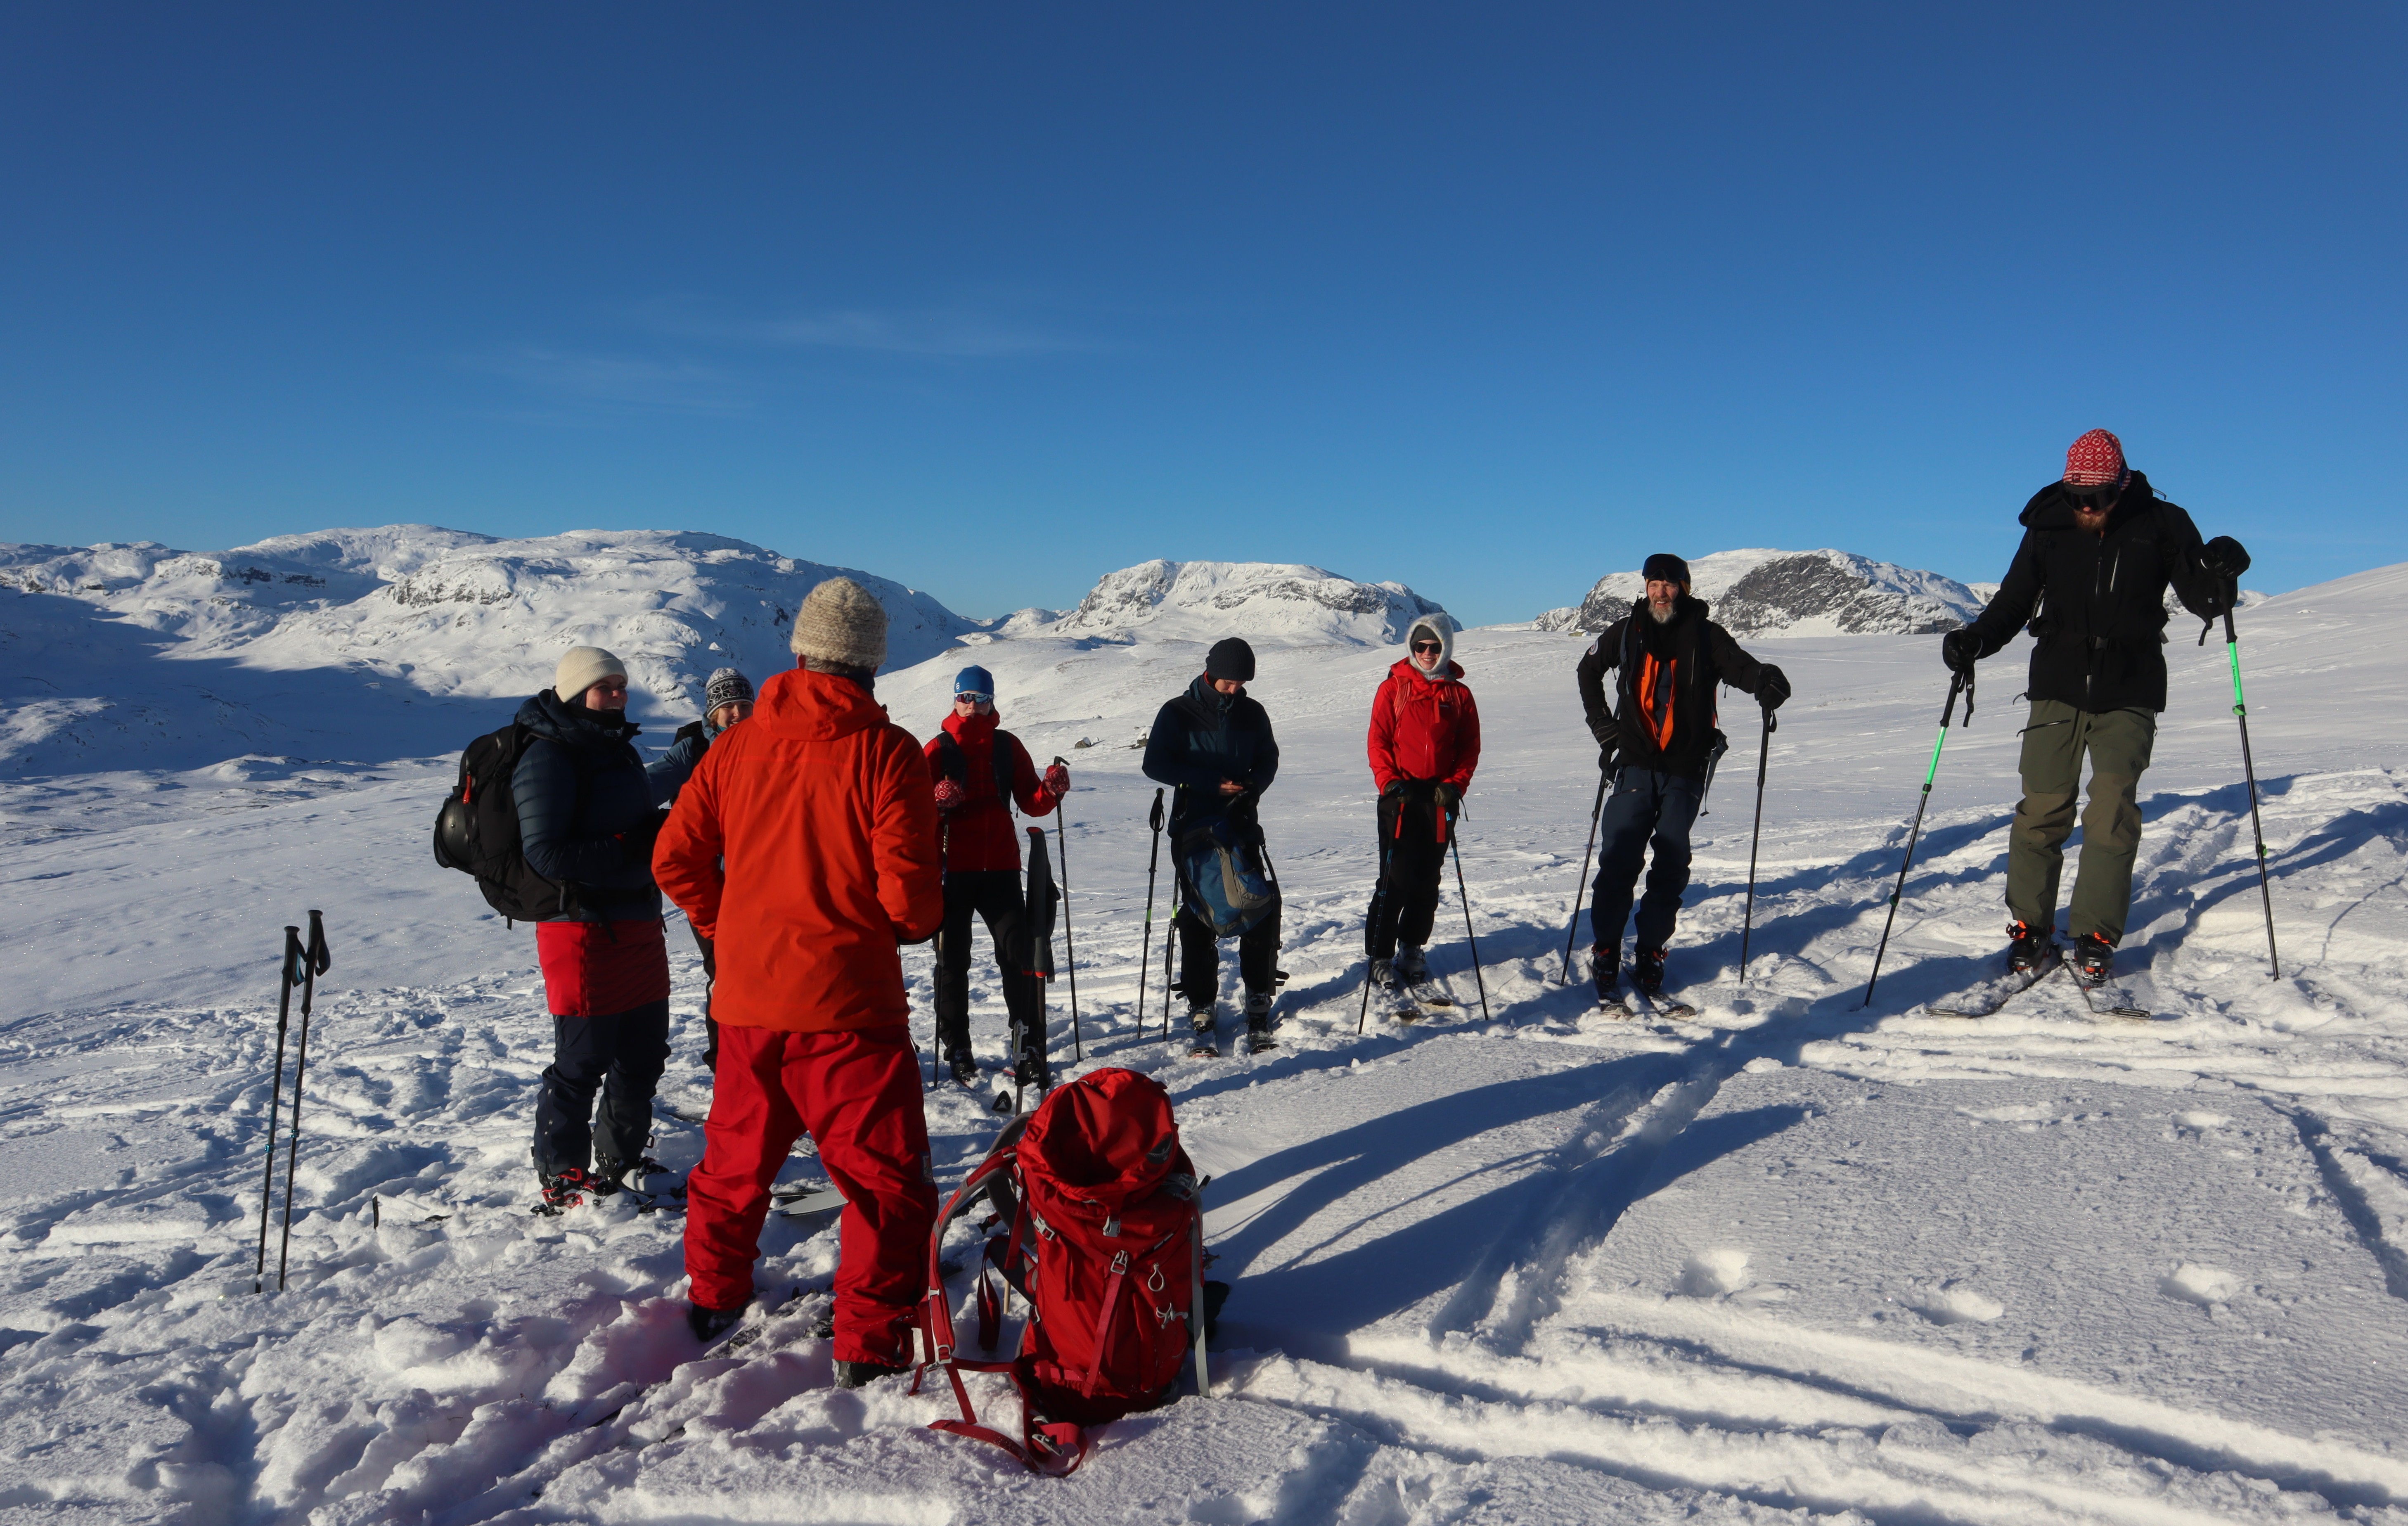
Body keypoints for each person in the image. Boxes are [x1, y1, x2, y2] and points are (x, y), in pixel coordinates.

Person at [653, 578, 944, 1387]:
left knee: (735, 1161)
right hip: (849, 1007)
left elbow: (673, 857)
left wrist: (726, 928)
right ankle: (869, 1339)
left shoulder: (735, 746)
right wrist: (903, 924)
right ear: (872, 663)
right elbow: (911, 904)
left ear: (801, 651)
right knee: (884, 1181)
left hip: (748, 1001)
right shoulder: (888, 754)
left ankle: (713, 1296)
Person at [1941, 429, 2250, 987]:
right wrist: (1975, 641)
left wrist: (2224, 569)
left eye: (2098, 497)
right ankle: (2030, 928)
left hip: (2129, 687)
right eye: (2076, 496)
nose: (2086, 508)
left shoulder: (2162, 524)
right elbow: (2014, 601)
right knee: (2042, 809)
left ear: (2121, 483)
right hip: (2056, 684)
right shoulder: (2047, 526)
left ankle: (2095, 932)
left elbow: (2206, 602)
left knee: (2110, 811)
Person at [513, 645, 704, 1210]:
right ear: (576, 692)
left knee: (643, 1052)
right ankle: (562, 1173)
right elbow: (545, 854)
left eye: (622, 685)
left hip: (637, 922)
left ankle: (621, 1159)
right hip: (581, 929)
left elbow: (632, 810)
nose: (618, 695)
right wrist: (633, 845)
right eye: (606, 687)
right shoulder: (548, 756)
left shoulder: (614, 749)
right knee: (582, 1060)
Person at [1576, 554, 1789, 1003]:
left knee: (1670, 864)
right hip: (1633, 761)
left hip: (1686, 767)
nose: (1661, 592)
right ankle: (1607, 948)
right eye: (1654, 584)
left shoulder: (1707, 635)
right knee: (1619, 859)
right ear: (1645, 588)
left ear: (1685, 589)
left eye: (1670, 585)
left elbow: (1740, 668)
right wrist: (1603, 728)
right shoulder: (1627, 630)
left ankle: (1651, 950)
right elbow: (1588, 669)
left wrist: (1766, 680)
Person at [923, 665, 1070, 1090]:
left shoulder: (1007, 746)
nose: (972, 705)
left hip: (1002, 868)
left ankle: (1028, 1044)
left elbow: (1031, 801)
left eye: (979, 698)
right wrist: (938, 804)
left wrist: (1051, 789)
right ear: (954, 701)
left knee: (1019, 956)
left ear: (991, 702)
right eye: (965, 697)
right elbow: (912, 813)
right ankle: (957, 1048)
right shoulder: (937, 749)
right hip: (953, 871)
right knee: (953, 963)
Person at [1143, 637, 1281, 1054]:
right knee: (1198, 913)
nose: (1236, 689)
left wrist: (1253, 787)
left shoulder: (1252, 713)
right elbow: (1155, 764)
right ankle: (1202, 1001)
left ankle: (1258, 994)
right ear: (1211, 673)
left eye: (1242, 683)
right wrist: (1206, 783)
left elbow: (1268, 758)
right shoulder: (1178, 712)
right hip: (1194, 828)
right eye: (1229, 682)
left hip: (1240, 823)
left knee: (1258, 904)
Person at [1365, 616, 1482, 991]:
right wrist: (1388, 781)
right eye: (1420, 647)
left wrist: (1455, 786)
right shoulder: (1393, 688)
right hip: (1399, 796)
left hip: (1438, 797)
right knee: (1394, 878)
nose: (1427, 654)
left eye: (1434, 647)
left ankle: (1412, 946)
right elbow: (1378, 741)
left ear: (1445, 647)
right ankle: (1381, 954)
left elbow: (1468, 748)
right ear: (1411, 649)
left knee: (1427, 879)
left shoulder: (1459, 695)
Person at [676, 667, 756, 1073]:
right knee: (723, 974)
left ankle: (757, 1060)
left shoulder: (766, 748)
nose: (737, 713)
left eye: (744, 705)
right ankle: (723, 1059)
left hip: (758, 885)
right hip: (713, 885)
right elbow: (645, 785)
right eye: (728, 707)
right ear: (712, 713)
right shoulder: (692, 752)